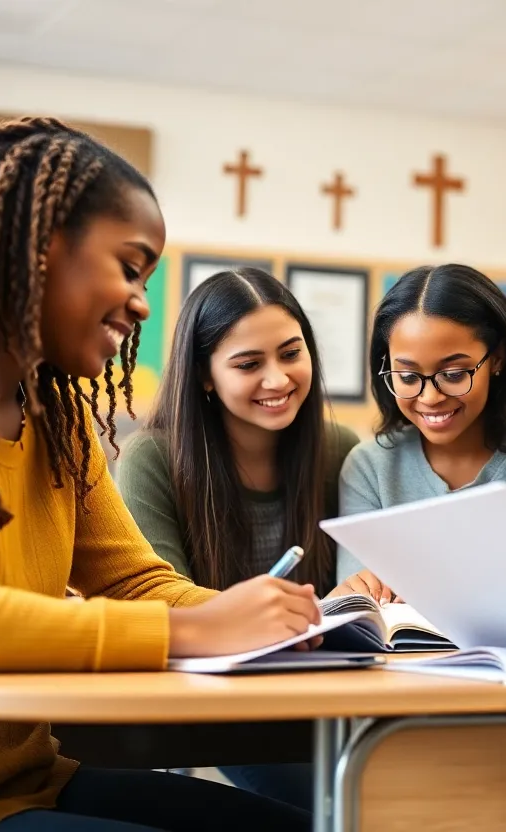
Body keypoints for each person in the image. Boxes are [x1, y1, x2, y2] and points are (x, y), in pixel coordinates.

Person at [0, 118, 317, 832]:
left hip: (29, 780)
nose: (143, 303)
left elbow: (131, 580)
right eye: (129, 267)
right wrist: (190, 632)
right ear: (35, 251)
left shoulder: (56, 419)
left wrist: (252, 622)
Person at [116, 267, 359, 809]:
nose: (277, 380)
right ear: (205, 376)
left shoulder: (339, 449)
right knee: (338, 810)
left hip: (329, 697)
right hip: (220, 703)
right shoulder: (154, 459)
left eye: (291, 353)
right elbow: (156, 602)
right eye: (249, 364)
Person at [334, 263, 506, 599]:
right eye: (409, 377)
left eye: (454, 374)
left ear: (497, 358)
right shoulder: (370, 467)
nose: (430, 398)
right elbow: (360, 603)